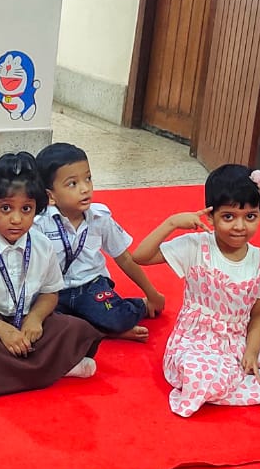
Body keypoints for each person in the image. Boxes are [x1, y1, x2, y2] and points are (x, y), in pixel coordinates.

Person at [134, 164, 260, 417]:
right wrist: (172, 223)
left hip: (239, 341)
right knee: (201, 375)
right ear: (210, 217)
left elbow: (258, 315)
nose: (240, 226)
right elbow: (141, 256)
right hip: (197, 342)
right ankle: (224, 379)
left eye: (250, 216)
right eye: (228, 217)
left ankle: (232, 377)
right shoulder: (197, 246)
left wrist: (251, 352)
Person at [0, 152, 102, 398]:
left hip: (26, 319)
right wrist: (2, 331)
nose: (16, 219)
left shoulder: (42, 244)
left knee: (76, 328)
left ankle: (14, 372)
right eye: (6, 208)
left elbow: (49, 293)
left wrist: (35, 318)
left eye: (26, 209)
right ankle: (51, 367)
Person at [33, 143, 166, 341]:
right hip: (53, 291)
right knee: (42, 323)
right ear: (50, 196)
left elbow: (125, 259)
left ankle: (137, 309)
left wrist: (152, 294)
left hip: (91, 285)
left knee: (115, 317)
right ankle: (103, 331)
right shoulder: (39, 224)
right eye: (73, 184)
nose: (85, 188)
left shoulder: (100, 218)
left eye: (88, 178)